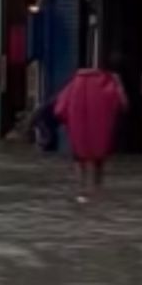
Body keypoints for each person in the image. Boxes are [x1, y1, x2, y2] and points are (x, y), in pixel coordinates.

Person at [53, 67, 128, 201]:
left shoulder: (73, 84)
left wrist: (68, 121)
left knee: (79, 159)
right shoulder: (105, 84)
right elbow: (122, 103)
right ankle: (97, 189)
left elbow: (59, 110)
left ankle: (81, 189)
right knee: (99, 160)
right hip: (100, 133)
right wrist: (118, 83)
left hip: (78, 133)